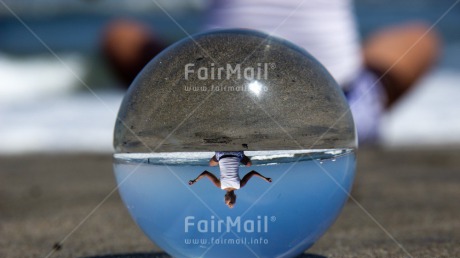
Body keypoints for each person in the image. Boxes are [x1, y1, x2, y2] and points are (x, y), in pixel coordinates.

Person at [101, 0, 440, 144]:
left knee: (120, 36)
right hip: (340, 116)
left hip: (208, 115)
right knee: (421, 38)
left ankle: (164, 132)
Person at [188, 151, 272, 208]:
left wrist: (265, 178)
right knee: (211, 164)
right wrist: (194, 181)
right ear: (225, 196)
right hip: (220, 154)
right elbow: (205, 173)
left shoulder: (240, 185)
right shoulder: (220, 185)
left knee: (249, 164)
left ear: (235, 196)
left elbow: (253, 172)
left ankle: (240, 155)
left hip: (237, 153)